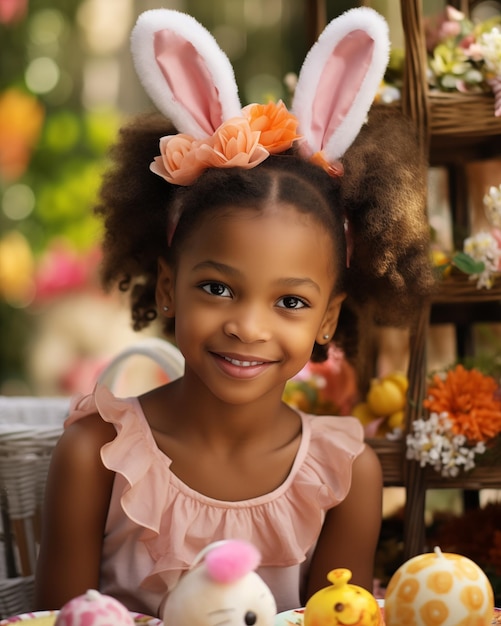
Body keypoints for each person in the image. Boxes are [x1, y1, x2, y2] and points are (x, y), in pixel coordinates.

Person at [34, 7, 435, 618]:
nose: (247, 326)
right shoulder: (97, 454)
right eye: (218, 288)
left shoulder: (345, 476)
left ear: (328, 319)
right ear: (167, 287)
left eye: (291, 302)